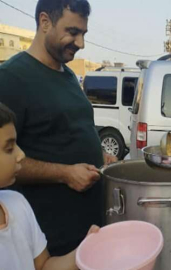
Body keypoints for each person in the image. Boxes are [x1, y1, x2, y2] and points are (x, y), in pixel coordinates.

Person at [0, 0, 116, 256]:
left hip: (87, 232)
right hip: (52, 241)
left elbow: (69, 131)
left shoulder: (69, 76)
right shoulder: (10, 78)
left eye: (83, 34)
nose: (81, 43)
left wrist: (98, 153)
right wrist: (65, 173)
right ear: (44, 22)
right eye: (72, 32)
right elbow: (5, 160)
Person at [0, 103, 99, 270]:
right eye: (9, 148)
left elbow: (44, 266)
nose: (21, 154)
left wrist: (83, 251)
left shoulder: (17, 204)